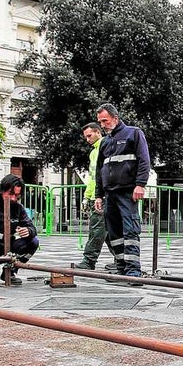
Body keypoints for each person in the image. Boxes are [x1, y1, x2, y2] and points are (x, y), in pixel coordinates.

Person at [93, 103, 151, 280]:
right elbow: (99, 170)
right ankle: (121, 266)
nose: (102, 125)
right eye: (100, 121)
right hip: (110, 193)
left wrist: (140, 184)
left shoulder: (133, 133)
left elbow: (144, 160)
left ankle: (133, 269)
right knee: (114, 233)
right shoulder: (105, 142)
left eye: (105, 120)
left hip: (127, 191)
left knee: (130, 230)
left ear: (115, 118)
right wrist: (98, 195)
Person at [75, 122, 107, 270]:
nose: (87, 139)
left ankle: (89, 261)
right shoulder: (93, 152)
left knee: (96, 229)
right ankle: (121, 260)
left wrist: (91, 197)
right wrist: (86, 197)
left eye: (89, 135)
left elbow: (99, 176)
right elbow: (92, 177)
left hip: (101, 197)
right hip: (98, 195)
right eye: (85, 137)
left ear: (98, 132)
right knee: (108, 231)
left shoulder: (103, 147)